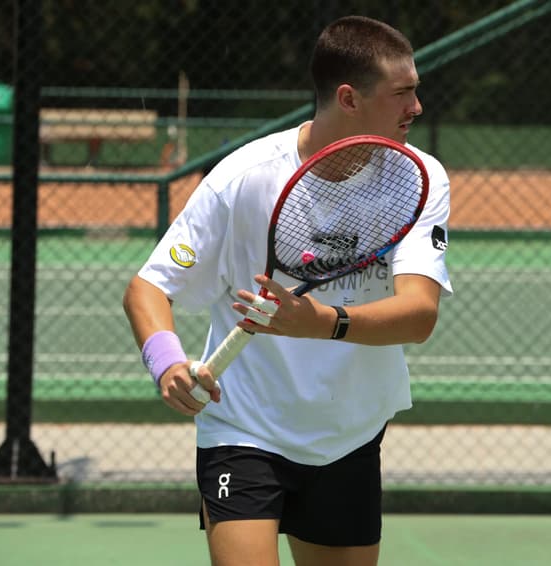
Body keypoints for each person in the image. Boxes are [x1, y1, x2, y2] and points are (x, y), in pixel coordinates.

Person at [122, 15, 452, 566]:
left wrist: (320, 321)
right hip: (244, 430)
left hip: (349, 433)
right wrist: (168, 364)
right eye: (403, 93)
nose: (416, 107)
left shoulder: (418, 176)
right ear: (349, 98)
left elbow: (418, 315)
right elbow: (148, 288)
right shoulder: (242, 179)